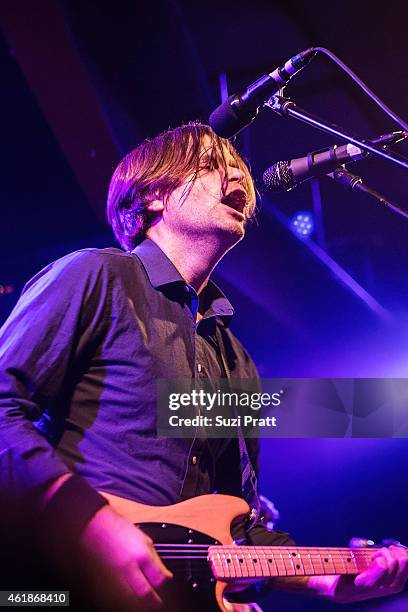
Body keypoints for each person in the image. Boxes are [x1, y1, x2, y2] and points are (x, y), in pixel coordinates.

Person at [0, 122, 407, 611]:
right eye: (213, 165)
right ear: (152, 197)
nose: (237, 177)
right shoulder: (96, 276)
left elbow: (239, 531)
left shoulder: (234, 358)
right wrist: (87, 518)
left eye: (239, 170)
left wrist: (335, 580)